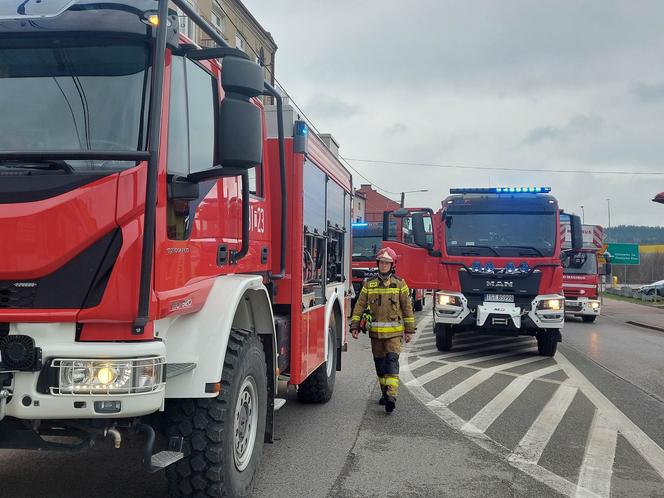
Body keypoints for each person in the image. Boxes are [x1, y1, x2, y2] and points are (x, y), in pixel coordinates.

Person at [349, 247, 415, 413]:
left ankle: (392, 395)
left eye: (387, 263)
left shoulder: (400, 284)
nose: (384, 265)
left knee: (391, 362)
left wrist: (409, 330)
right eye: (382, 262)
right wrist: (355, 326)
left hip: (394, 334)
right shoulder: (368, 285)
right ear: (378, 264)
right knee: (380, 366)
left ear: (392, 265)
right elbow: (359, 306)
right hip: (376, 335)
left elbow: (407, 308)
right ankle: (385, 393)